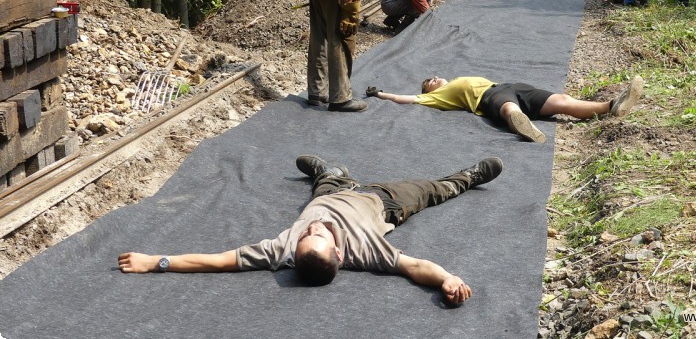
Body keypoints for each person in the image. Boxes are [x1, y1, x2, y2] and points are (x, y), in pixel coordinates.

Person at [118, 154, 505, 305]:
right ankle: (467, 178)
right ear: (339, 255)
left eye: (307, 236)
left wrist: (157, 261)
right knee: (431, 190)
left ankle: (330, 173)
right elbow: (415, 266)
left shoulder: (284, 249)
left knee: (322, 190)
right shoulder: (366, 251)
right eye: (314, 235)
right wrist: (448, 279)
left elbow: (219, 261)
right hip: (383, 200)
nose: (311, 230)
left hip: (330, 194)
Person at [366, 75, 644, 144]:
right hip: (489, 98)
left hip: (510, 85)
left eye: (433, 77)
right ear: (430, 90)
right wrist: (382, 94)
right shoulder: (437, 97)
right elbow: (409, 99)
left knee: (561, 100)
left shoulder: (451, 81)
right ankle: (522, 124)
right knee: (508, 108)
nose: (434, 78)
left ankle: (611, 106)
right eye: (430, 82)